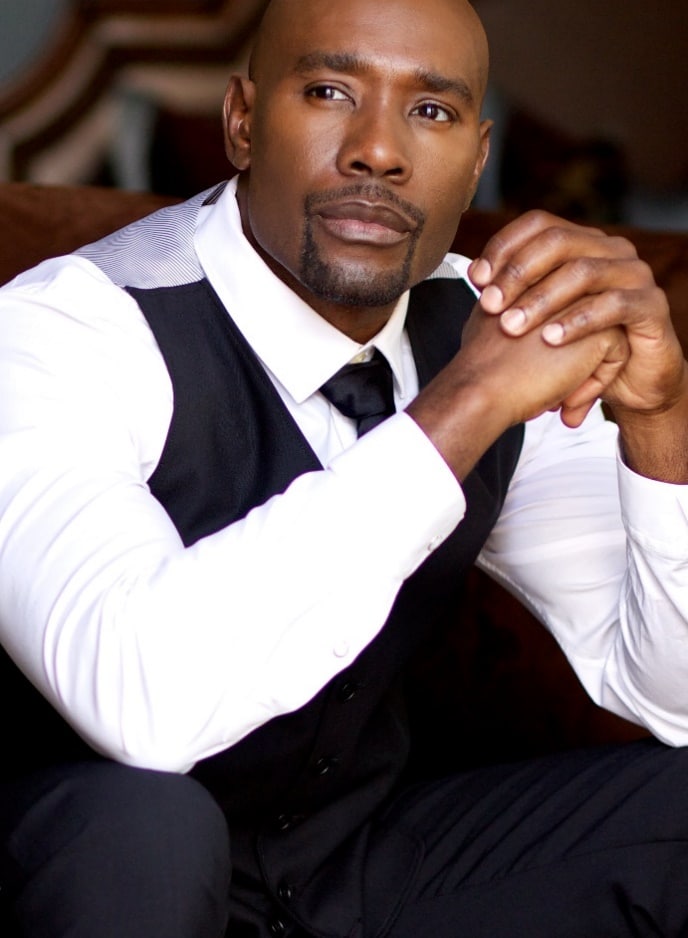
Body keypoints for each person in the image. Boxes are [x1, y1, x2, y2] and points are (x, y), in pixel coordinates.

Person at [1, 0, 688, 934]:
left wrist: (659, 420)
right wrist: (463, 408)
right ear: (242, 121)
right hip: (94, 871)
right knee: (146, 826)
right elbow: (141, 706)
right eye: (329, 91)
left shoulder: (485, 326)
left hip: (350, 869)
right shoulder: (66, 329)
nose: (378, 151)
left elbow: (667, 694)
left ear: (477, 158)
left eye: (431, 111)